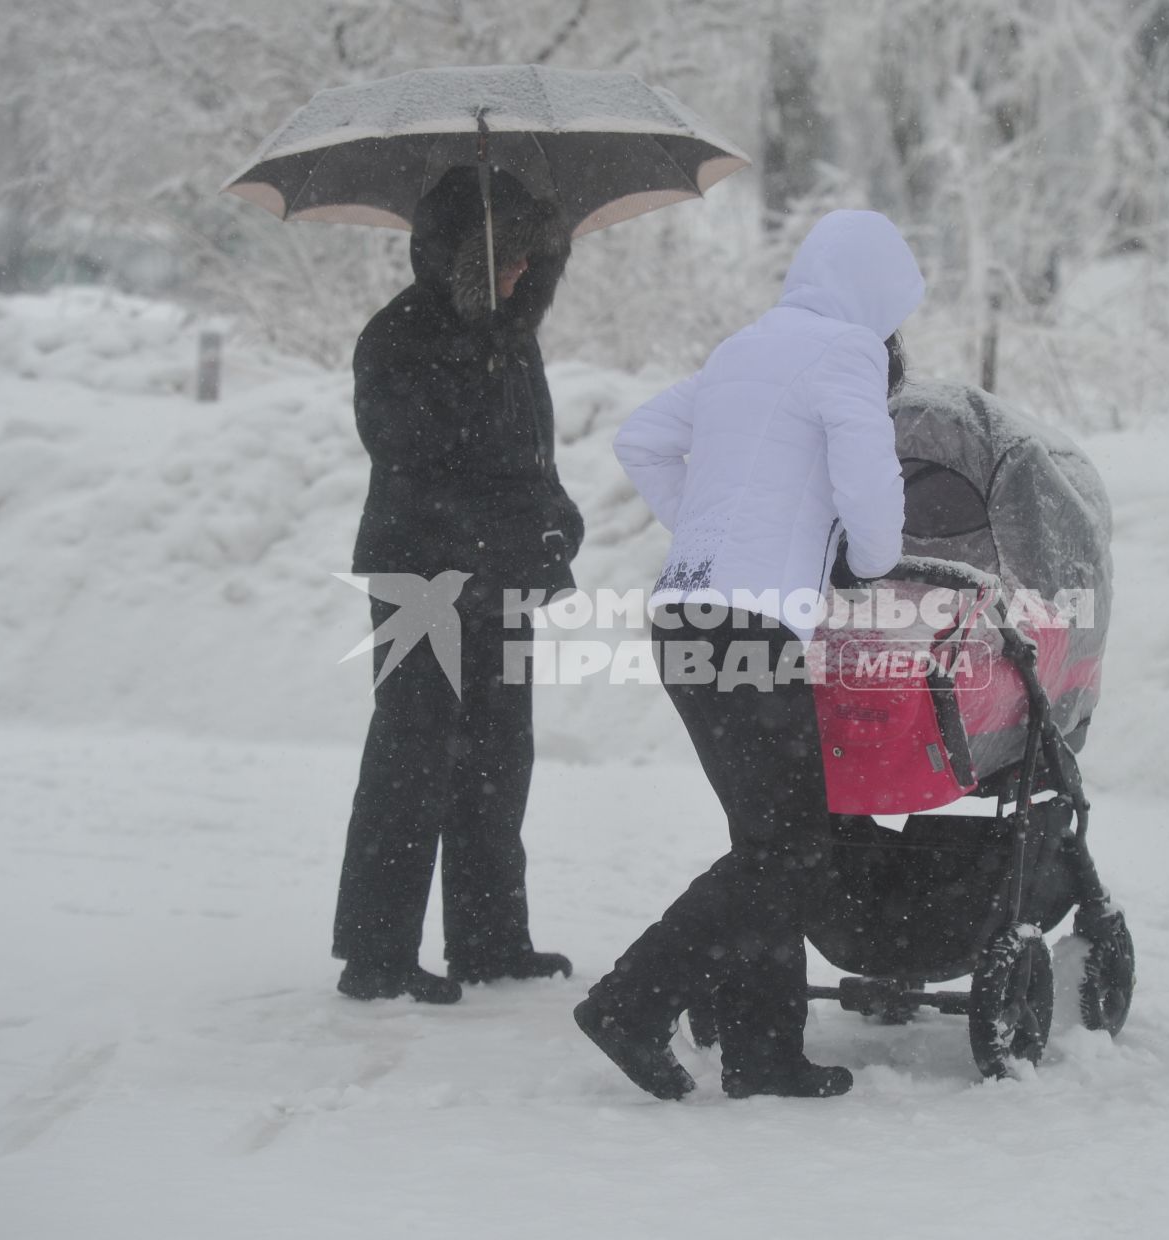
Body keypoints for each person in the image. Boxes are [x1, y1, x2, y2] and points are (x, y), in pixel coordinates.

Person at [573, 210, 924, 1099]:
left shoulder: (744, 348)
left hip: (684, 610)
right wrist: (865, 559)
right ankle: (631, 1001)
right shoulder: (846, 350)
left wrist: (706, 525)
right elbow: (871, 491)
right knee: (793, 848)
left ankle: (765, 1051)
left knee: (770, 841)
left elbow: (641, 439)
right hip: (751, 622)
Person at [333, 167, 584, 1003]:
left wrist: (555, 515)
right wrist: (504, 508)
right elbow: (412, 458)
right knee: (413, 755)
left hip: (501, 576)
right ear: (464, 257)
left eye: (529, 261)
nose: (520, 276)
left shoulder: (512, 337)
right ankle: (377, 954)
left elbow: (530, 455)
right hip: (423, 577)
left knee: (498, 757)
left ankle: (489, 938)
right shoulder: (397, 336)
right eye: (507, 259)